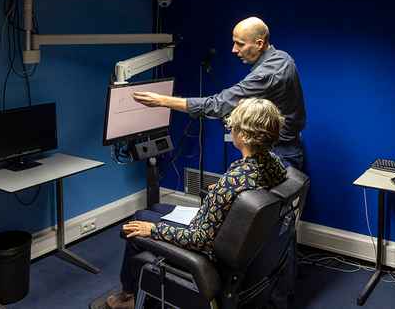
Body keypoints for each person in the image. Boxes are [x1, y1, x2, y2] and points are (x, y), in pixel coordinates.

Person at [105, 98, 288, 309]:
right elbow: (250, 185)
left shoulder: (232, 183)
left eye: (234, 125)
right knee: (155, 209)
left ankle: (129, 296)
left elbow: (199, 239)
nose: (231, 128)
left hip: (206, 246)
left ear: (244, 135)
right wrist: (223, 192)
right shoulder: (274, 162)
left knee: (138, 222)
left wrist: (153, 230)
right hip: (236, 234)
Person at [133, 16, 307, 170]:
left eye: (240, 44)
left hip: (280, 153)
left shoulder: (267, 74)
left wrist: (162, 101)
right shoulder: (282, 57)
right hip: (288, 147)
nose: (234, 49)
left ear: (260, 44)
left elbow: (219, 104)